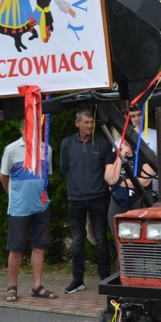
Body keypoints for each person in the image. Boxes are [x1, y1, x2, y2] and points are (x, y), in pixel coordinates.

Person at [0, 120, 55, 302]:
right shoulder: (11, 149)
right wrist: (14, 196)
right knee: (16, 248)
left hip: (41, 206)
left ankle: (37, 285)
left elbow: (47, 176)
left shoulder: (47, 149)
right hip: (19, 208)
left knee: (39, 246)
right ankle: (12, 286)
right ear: (22, 129)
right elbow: (3, 177)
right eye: (29, 128)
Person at [59, 108, 112, 294]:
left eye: (91, 122)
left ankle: (105, 279)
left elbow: (107, 171)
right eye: (86, 122)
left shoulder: (103, 144)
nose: (89, 126)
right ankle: (78, 280)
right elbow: (65, 169)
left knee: (101, 239)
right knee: (77, 240)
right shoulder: (66, 144)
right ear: (77, 123)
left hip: (98, 198)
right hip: (75, 199)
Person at [106, 133, 156, 231]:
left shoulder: (146, 155)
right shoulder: (113, 156)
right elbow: (110, 179)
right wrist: (120, 157)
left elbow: (145, 181)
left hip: (141, 200)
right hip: (118, 201)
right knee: (119, 236)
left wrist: (118, 182)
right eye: (126, 138)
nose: (129, 140)